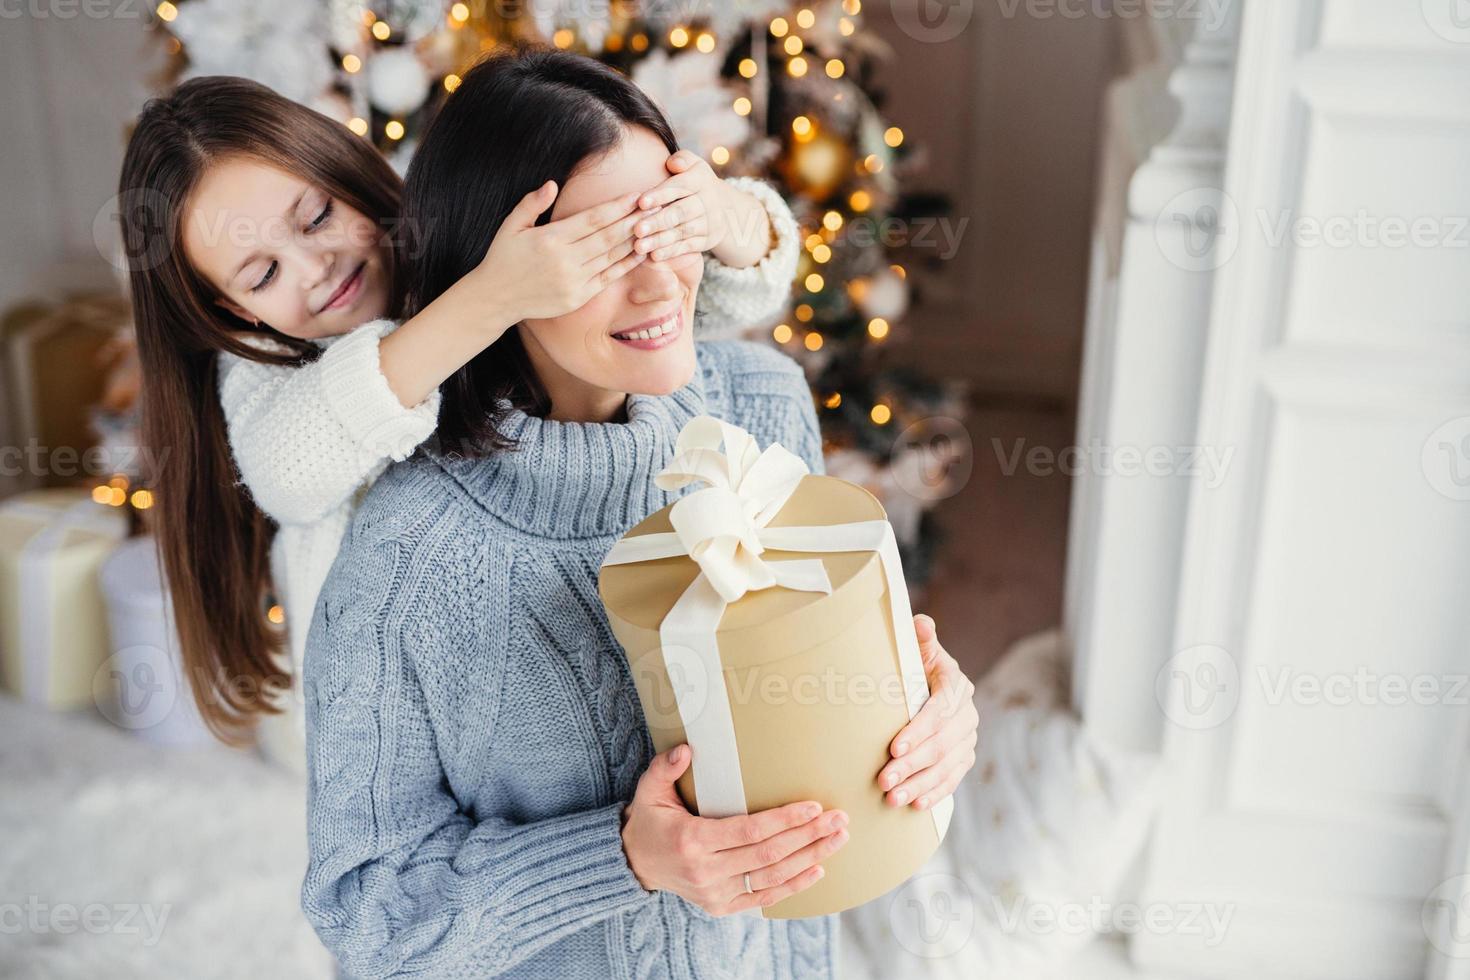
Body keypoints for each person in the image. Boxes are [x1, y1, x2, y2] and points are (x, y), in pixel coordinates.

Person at [302, 47, 980, 979]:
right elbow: (369, 915)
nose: (661, 284)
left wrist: (930, 711)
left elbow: (832, 716)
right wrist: (624, 858)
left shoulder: (761, 404)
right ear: (501, 274)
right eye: (603, 250)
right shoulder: (408, 556)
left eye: (669, 226)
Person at [117, 74, 799, 763]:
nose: (315, 267)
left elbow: (701, 303)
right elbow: (288, 470)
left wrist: (720, 215)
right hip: (388, 718)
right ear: (236, 311)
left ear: (348, 173)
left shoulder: (450, 236)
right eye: (262, 276)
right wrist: (493, 297)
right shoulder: (266, 368)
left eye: (317, 215)